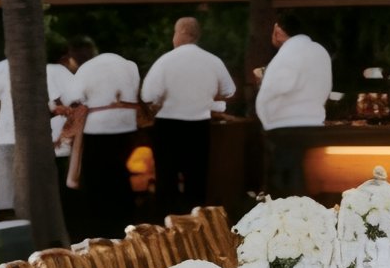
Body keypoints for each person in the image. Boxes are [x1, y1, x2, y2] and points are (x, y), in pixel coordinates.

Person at [138, 16, 235, 216]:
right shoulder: (212, 60)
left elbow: (148, 95)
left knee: (166, 178)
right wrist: (209, 99)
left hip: (168, 125)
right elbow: (229, 90)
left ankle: (167, 224)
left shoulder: (165, 61)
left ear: (181, 33)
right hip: (199, 125)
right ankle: (194, 224)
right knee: (196, 178)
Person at [0, 42, 80, 212]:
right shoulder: (48, 70)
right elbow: (62, 105)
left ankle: (8, 229)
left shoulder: (1, 68)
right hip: (37, 142)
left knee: (5, 195)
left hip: (4, 138)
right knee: (39, 195)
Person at [66, 36, 141, 240]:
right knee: (120, 173)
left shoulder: (87, 69)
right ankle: (125, 223)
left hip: (97, 128)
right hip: (126, 126)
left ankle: (99, 227)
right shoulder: (129, 66)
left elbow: (72, 97)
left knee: (96, 179)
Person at [254, 14, 332, 197]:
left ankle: (287, 222)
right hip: (313, 123)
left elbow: (280, 84)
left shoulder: (290, 52)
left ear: (278, 30)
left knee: (285, 185)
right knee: (305, 178)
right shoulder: (319, 50)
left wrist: (265, 109)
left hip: (286, 126)